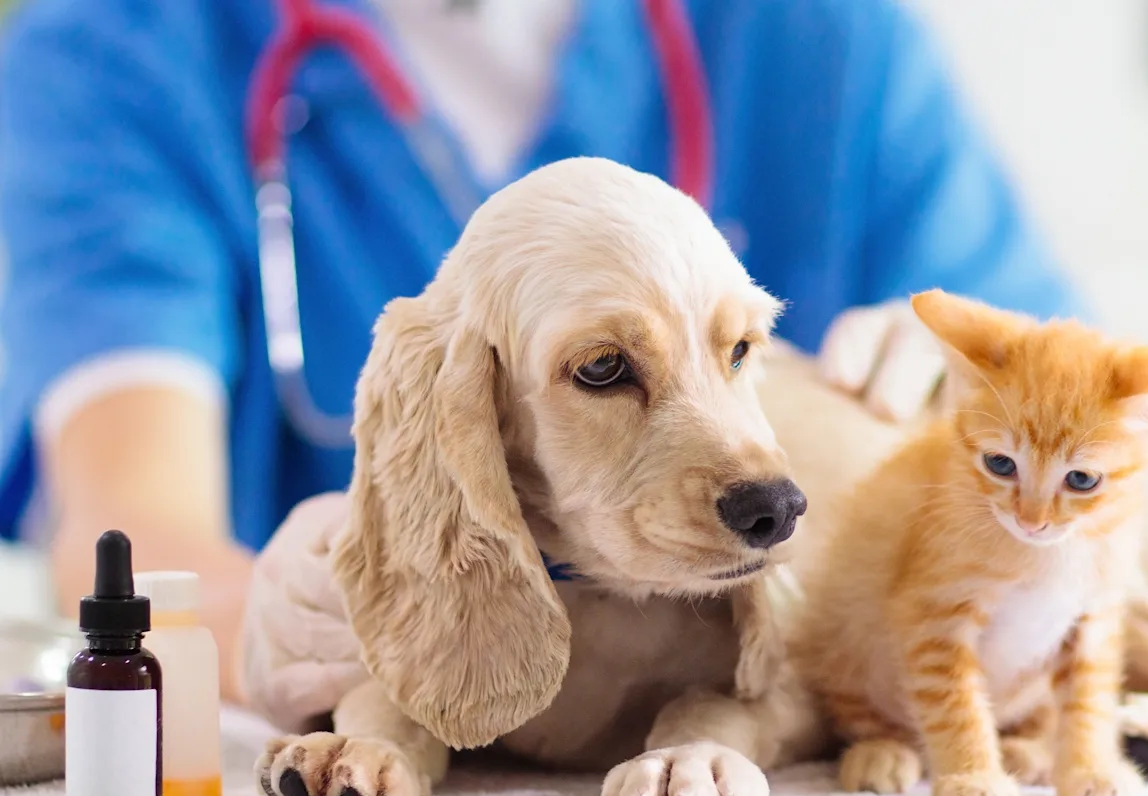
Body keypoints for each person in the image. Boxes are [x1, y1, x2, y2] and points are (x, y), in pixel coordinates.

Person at [0, 0, 1081, 701]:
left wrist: (989, 397)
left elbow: (1096, 405)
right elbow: (128, 527)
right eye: (606, 367)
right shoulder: (117, 51)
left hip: (747, 717)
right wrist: (270, 628)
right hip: (375, 749)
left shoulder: (821, 40)